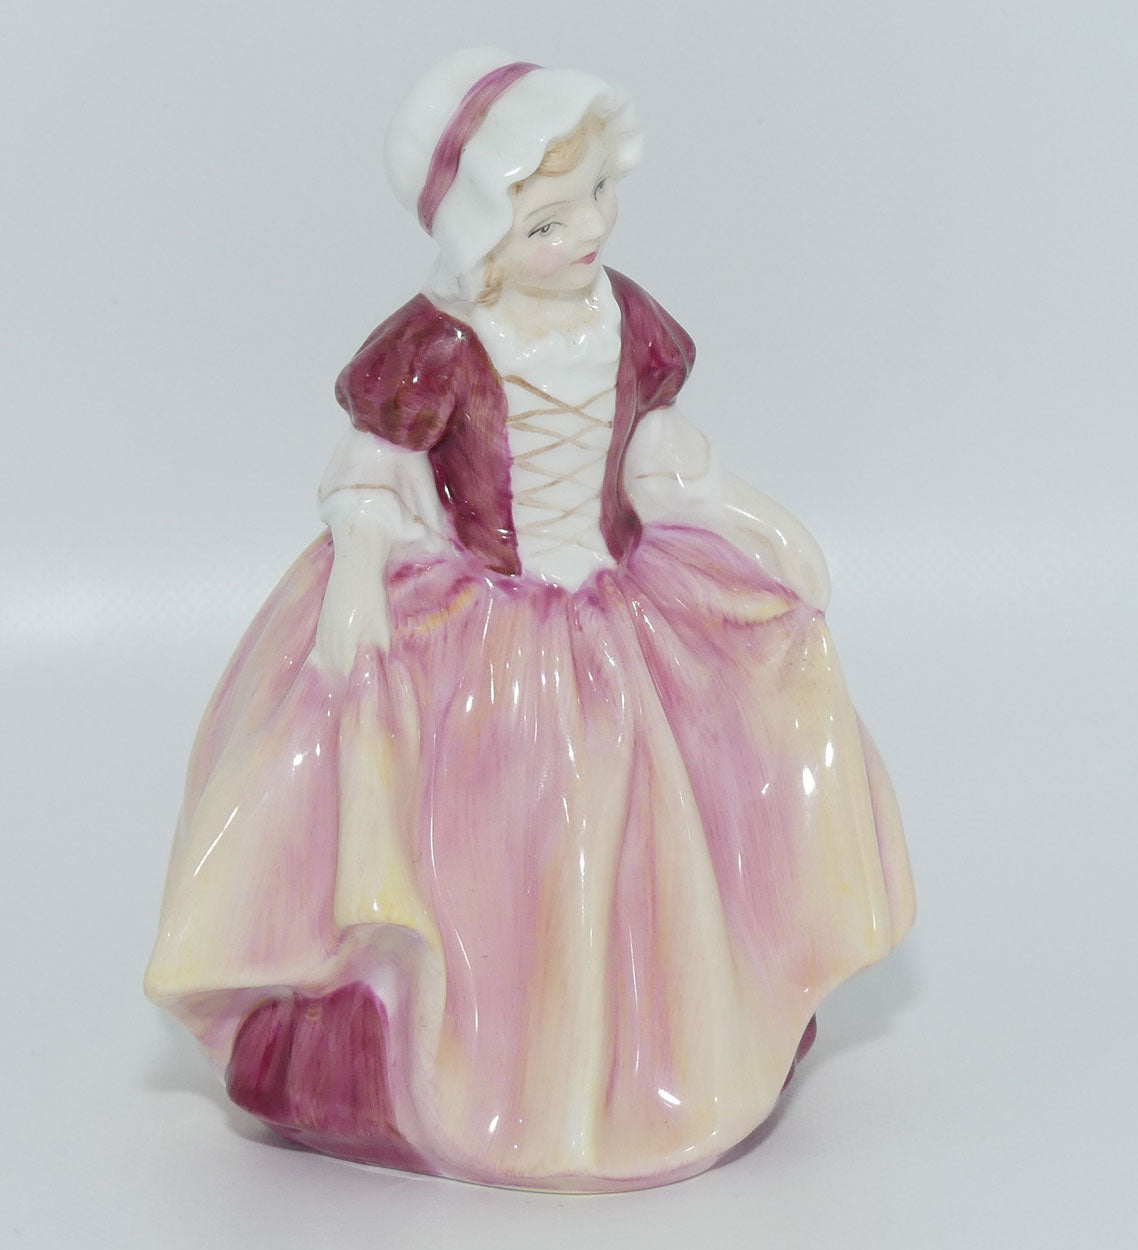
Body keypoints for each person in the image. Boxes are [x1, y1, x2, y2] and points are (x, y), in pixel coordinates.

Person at [145, 49, 915, 1192]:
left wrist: (751, 515)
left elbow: (651, 453)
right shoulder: (441, 345)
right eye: (548, 221)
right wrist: (357, 576)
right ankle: (486, 1058)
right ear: (479, 236)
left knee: (657, 803)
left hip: (612, 601)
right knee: (495, 823)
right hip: (483, 616)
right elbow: (371, 472)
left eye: (597, 194)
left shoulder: (622, 318)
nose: (589, 230)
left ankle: (664, 1038)